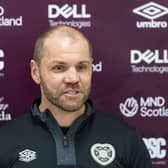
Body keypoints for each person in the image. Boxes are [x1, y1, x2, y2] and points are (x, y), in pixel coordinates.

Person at [0, 25, 152, 168]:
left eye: (81, 67)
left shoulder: (126, 139)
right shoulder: (5, 140)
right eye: (59, 68)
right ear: (35, 72)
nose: (73, 78)